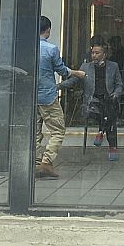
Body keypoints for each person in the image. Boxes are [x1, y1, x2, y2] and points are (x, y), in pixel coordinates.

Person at [36, 16, 84, 179]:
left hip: (31, 97)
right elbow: (62, 70)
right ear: (48, 30)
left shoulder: (27, 48)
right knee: (58, 130)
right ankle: (46, 162)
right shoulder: (51, 49)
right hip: (48, 96)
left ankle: (35, 162)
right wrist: (76, 73)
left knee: (35, 132)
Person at [61, 41, 124, 162]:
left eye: (97, 53)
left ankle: (101, 132)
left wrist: (116, 94)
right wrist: (58, 86)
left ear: (104, 54)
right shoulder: (85, 67)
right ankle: (112, 146)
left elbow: (119, 85)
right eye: (93, 53)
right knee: (109, 115)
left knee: (109, 107)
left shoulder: (113, 66)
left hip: (109, 99)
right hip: (92, 102)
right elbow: (73, 81)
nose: (94, 55)